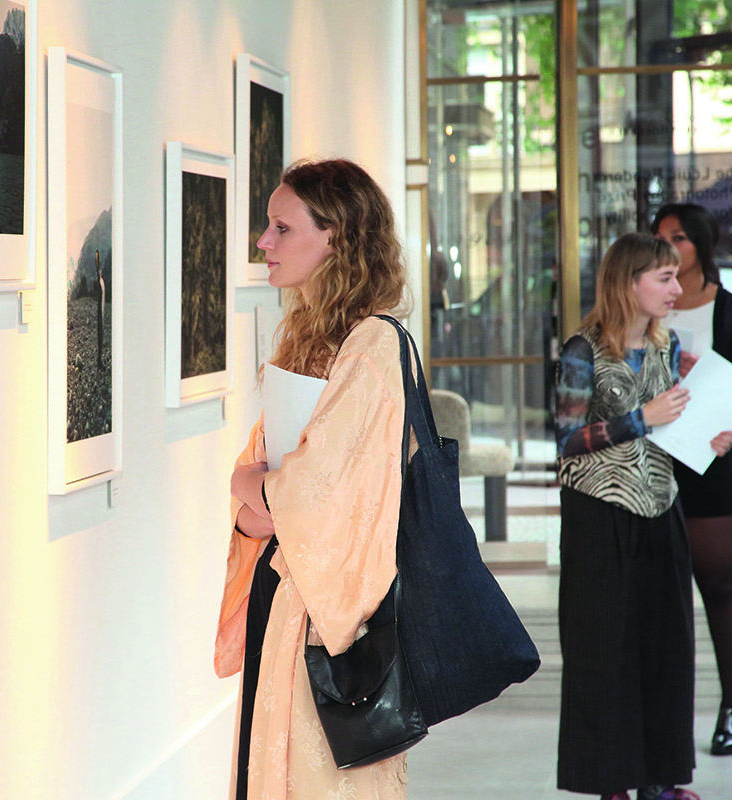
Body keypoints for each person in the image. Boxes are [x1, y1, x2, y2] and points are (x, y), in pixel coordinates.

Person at [214, 158, 412, 799]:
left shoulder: (373, 346)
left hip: (328, 623)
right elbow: (266, 494)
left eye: (280, 227)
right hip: (289, 603)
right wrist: (254, 491)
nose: (263, 243)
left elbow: (302, 493)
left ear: (337, 237)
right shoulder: (309, 339)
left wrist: (249, 485)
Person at [555, 232, 732, 800]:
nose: (676, 288)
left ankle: (661, 781)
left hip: (662, 506)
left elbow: (672, 423)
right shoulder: (580, 350)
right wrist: (643, 417)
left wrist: (709, 436)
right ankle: (613, 783)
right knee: (603, 651)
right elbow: (565, 438)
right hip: (598, 515)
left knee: (665, 647)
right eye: (664, 278)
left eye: (674, 277)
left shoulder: (666, 342)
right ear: (627, 283)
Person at [653, 203, 732, 756]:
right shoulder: (645, 305)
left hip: (712, 464)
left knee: (718, 583)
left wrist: (725, 415)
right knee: (662, 596)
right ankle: (668, 716)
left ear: (701, 244)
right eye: (660, 238)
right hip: (651, 464)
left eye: (679, 237)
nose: (670, 247)